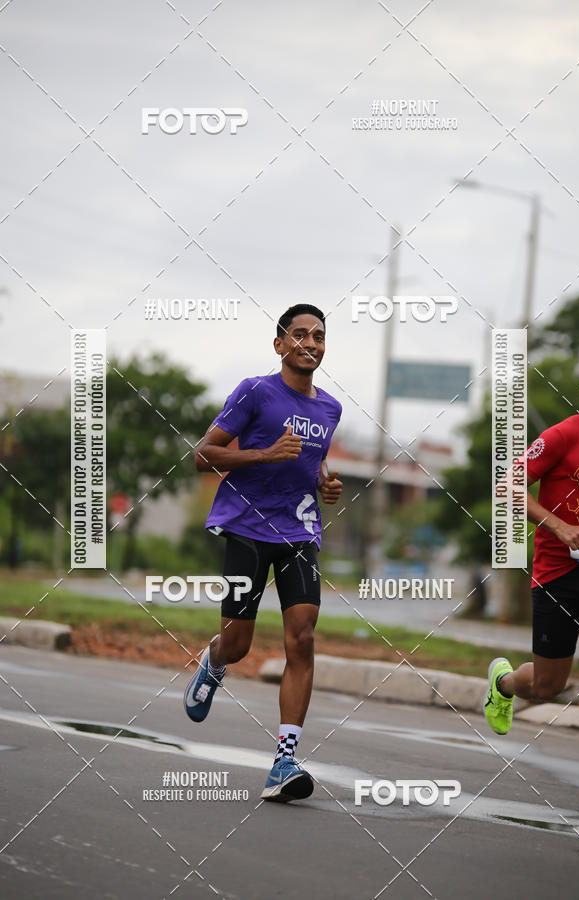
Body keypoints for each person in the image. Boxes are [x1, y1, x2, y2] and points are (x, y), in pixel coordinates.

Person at [185, 304, 343, 802]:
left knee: (303, 639)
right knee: (239, 644)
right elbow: (203, 455)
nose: (310, 344)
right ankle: (214, 660)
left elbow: (312, 460)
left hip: (299, 531)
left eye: (318, 336)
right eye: (300, 335)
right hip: (247, 528)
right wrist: (263, 454)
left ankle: (284, 761)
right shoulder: (255, 391)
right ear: (280, 345)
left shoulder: (331, 409)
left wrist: (326, 483)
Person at [484, 357, 579, 820]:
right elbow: (507, 484)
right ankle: (505, 683)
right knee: (550, 684)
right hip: (558, 574)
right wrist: (560, 525)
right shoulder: (563, 435)